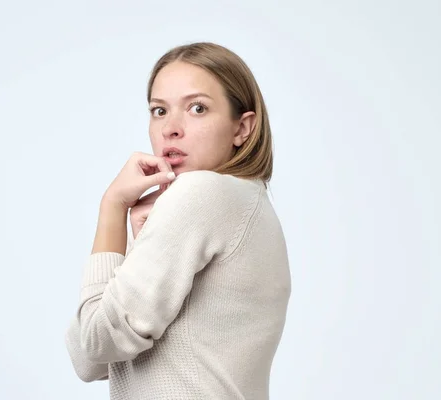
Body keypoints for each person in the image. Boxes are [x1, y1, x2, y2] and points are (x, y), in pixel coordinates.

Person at [65, 42, 291, 400]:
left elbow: (93, 346)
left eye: (197, 108)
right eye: (159, 111)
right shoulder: (250, 204)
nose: (171, 128)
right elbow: (93, 361)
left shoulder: (202, 192)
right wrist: (142, 241)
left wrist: (112, 206)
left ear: (242, 128)